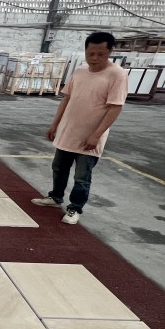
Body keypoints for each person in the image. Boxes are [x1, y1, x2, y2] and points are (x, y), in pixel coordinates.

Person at [31, 31, 127, 226]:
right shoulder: (80, 71)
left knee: (82, 176)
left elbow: (115, 107)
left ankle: (75, 208)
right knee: (59, 167)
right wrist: (55, 124)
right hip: (69, 131)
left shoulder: (117, 75)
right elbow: (67, 99)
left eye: (100, 54)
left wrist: (96, 135)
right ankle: (56, 197)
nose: (95, 58)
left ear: (110, 52)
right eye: (90, 53)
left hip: (90, 136)